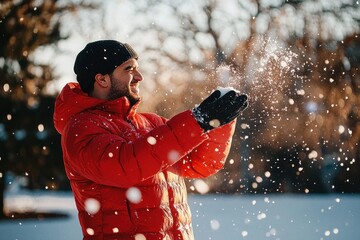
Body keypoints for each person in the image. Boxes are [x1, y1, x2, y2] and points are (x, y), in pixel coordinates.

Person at [53, 40, 248, 240]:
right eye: (129, 69)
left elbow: (200, 164)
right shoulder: (82, 129)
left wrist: (217, 123)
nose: (139, 76)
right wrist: (197, 121)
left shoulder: (151, 124)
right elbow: (127, 165)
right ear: (102, 79)